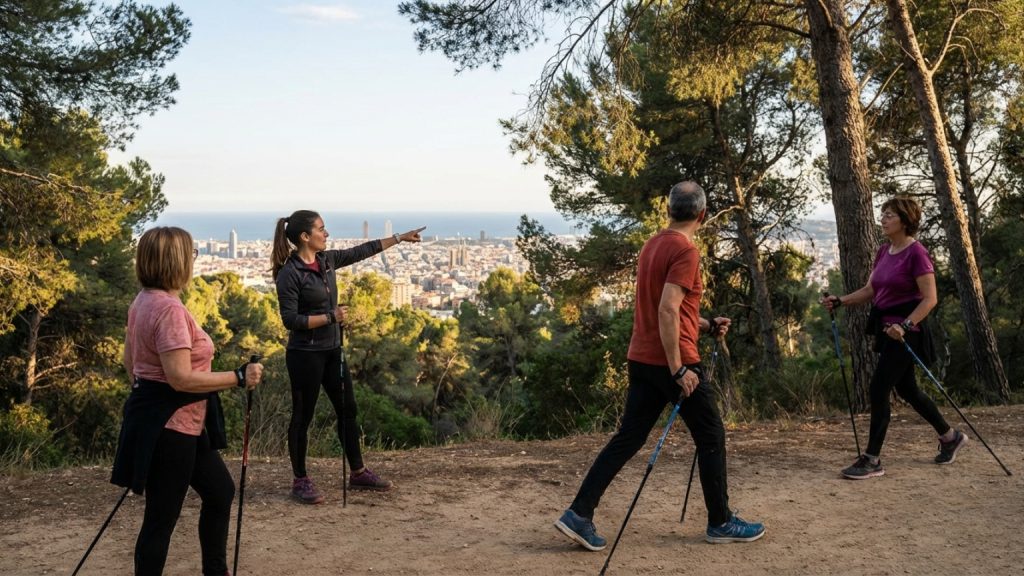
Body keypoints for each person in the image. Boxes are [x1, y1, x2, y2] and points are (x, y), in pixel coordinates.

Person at [554, 181, 766, 550]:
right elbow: (667, 308)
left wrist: (705, 323)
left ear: (670, 210)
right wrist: (679, 369)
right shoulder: (686, 250)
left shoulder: (652, 245)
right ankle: (720, 522)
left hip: (642, 357)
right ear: (701, 214)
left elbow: (671, 308)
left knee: (628, 438)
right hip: (675, 361)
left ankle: (579, 513)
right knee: (712, 435)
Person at [111, 227, 264, 576]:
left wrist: (150, 394)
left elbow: (129, 361)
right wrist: (238, 377)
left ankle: (216, 570)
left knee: (220, 491)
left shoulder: (144, 300)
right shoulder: (169, 311)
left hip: (175, 422)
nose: (194, 262)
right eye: (191, 255)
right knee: (161, 519)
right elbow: (180, 378)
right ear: (177, 261)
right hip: (171, 427)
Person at [271, 210, 425, 504]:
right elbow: (290, 320)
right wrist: (331, 316)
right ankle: (300, 480)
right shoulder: (289, 274)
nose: (326, 233)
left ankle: (358, 472)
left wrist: (400, 238)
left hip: (332, 350)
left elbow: (361, 251)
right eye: (321, 229)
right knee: (303, 416)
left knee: (348, 409)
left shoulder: (326, 260)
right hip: (305, 355)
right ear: (305, 237)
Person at [822, 197, 967, 480]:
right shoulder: (884, 251)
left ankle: (872, 459)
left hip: (906, 332)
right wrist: (841, 301)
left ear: (904, 220)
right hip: (886, 328)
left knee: (878, 388)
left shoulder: (917, 253)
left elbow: (930, 298)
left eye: (889, 215)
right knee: (907, 390)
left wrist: (905, 325)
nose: (883, 219)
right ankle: (950, 437)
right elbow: (870, 289)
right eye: (882, 214)